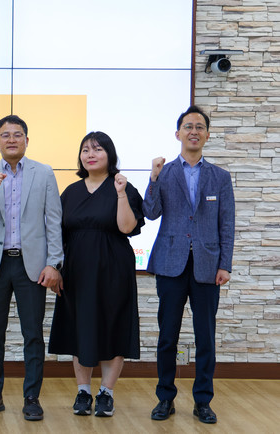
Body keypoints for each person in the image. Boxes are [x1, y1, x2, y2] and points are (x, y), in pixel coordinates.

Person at [0, 115, 63, 421]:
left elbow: (53, 221)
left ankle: (32, 397)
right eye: (5, 135)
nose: (11, 139)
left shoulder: (43, 173)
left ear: (26, 140)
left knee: (32, 334)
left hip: (31, 266)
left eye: (17, 134)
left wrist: (53, 263)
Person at [144, 105, 235, 424]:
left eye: (199, 127)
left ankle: (203, 401)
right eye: (188, 126)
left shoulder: (220, 177)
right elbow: (151, 212)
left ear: (207, 135)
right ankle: (165, 398)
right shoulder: (165, 172)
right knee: (167, 336)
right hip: (171, 263)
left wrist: (225, 264)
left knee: (205, 337)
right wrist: (153, 178)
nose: (193, 131)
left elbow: (227, 224)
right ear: (178, 134)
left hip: (208, 266)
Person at [48, 131, 144, 417]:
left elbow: (127, 227)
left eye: (98, 149)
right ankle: (83, 391)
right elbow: (57, 233)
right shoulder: (71, 192)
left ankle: (106, 393)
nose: (90, 155)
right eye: (85, 150)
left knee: (114, 326)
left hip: (114, 269)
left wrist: (120, 193)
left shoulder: (123, 187)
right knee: (80, 327)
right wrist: (56, 268)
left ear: (110, 155)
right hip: (77, 270)